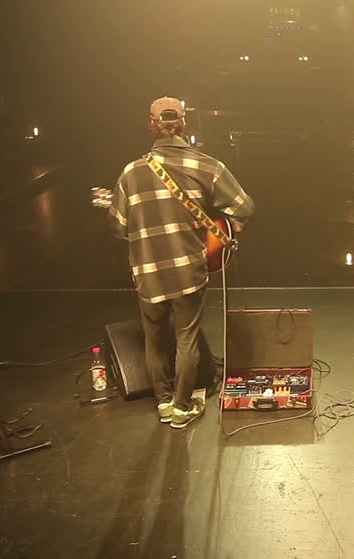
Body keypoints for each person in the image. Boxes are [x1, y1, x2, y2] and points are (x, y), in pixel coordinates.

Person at [108, 97, 254, 429]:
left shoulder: (131, 173)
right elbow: (244, 207)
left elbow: (117, 227)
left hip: (148, 273)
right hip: (188, 269)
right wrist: (227, 223)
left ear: (151, 125)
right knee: (186, 337)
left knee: (155, 339)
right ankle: (181, 407)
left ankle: (163, 404)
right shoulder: (207, 166)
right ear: (184, 123)